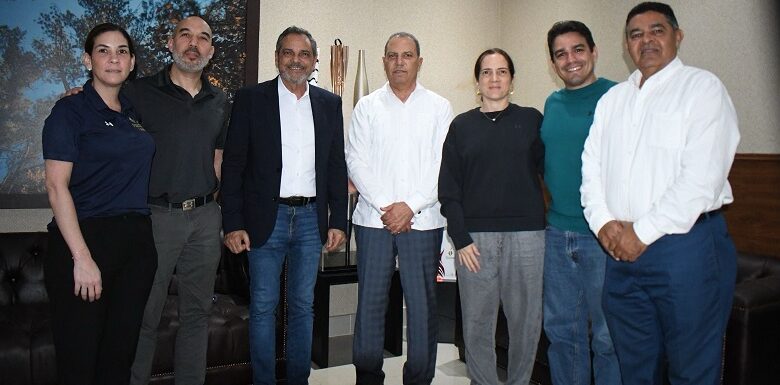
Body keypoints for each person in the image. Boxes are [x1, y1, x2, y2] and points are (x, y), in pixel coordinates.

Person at [580, 2, 740, 384]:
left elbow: (701, 179)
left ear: (677, 36)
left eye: (657, 30)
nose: (646, 40)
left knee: (692, 371)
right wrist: (603, 224)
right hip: (619, 252)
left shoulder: (702, 89)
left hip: (686, 248)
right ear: (626, 45)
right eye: (636, 34)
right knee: (635, 368)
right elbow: (591, 170)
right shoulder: (612, 100)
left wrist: (641, 233)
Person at [221, 26, 348, 385]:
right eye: (288, 53)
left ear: (314, 61)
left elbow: (336, 166)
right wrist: (232, 223)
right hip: (266, 219)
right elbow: (233, 166)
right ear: (277, 58)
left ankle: (298, 380)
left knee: (303, 307)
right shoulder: (250, 100)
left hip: (311, 220)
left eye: (304, 54)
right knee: (263, 307)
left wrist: (338, 220)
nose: (296, 60)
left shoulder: (329, 104)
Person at [42, 23, 157, 385]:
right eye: (103, 50)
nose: (113, 58)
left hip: (136, 244)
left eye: (122, 51)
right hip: (85, 242)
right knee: (80, 362)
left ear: (132, 62)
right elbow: (56, 186)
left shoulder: (134, 111)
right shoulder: (69, 112)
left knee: (118, 359)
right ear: (87, 59)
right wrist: (82, 257)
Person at [347, 32, 454, 385]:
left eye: (407, 56)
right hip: (373, 221)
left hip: (423, 221)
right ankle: (367, 376)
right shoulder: (367, 107)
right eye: (392, 55)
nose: (399, 62)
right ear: (383, 61)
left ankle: (419, 378)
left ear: (419, 62)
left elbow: (443, 165)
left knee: (422, 307)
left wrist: (410, 205)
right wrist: (386, 206)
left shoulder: (439, 107)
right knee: (371, 304)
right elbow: (356, 162)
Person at [127, 16, 229, 385]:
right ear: (171, 44)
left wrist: (217, 210)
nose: (193, 43)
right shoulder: (138, 92)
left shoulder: (220, 101)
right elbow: (100, 109)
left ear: (211, 51)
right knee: (145, 315)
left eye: (203, 38)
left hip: (204, 218)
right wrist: (79, 93)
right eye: (185, 35)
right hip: (156, 218)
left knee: (197, 315)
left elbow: (217, 159)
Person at [438, 48, 545, 385]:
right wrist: (461, 237)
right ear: (478, 80)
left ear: (511, 79)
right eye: (487, 72)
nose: (494, 78)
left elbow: (552, 174)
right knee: (477, 323)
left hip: (527, 237)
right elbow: (448, 190)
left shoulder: (531, 119)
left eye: (501, 72)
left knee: (526, 323)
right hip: (475, 242)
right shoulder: (461, 126)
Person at [540, 21, 621, 385]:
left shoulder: (618, 97)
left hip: (603, 237)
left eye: (578, 50)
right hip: (557, 234)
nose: (570, 60)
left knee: (607, 337)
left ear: (593, 51)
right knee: (561, 334)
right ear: (553, 62)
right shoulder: (552, 103)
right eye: (561, 54)